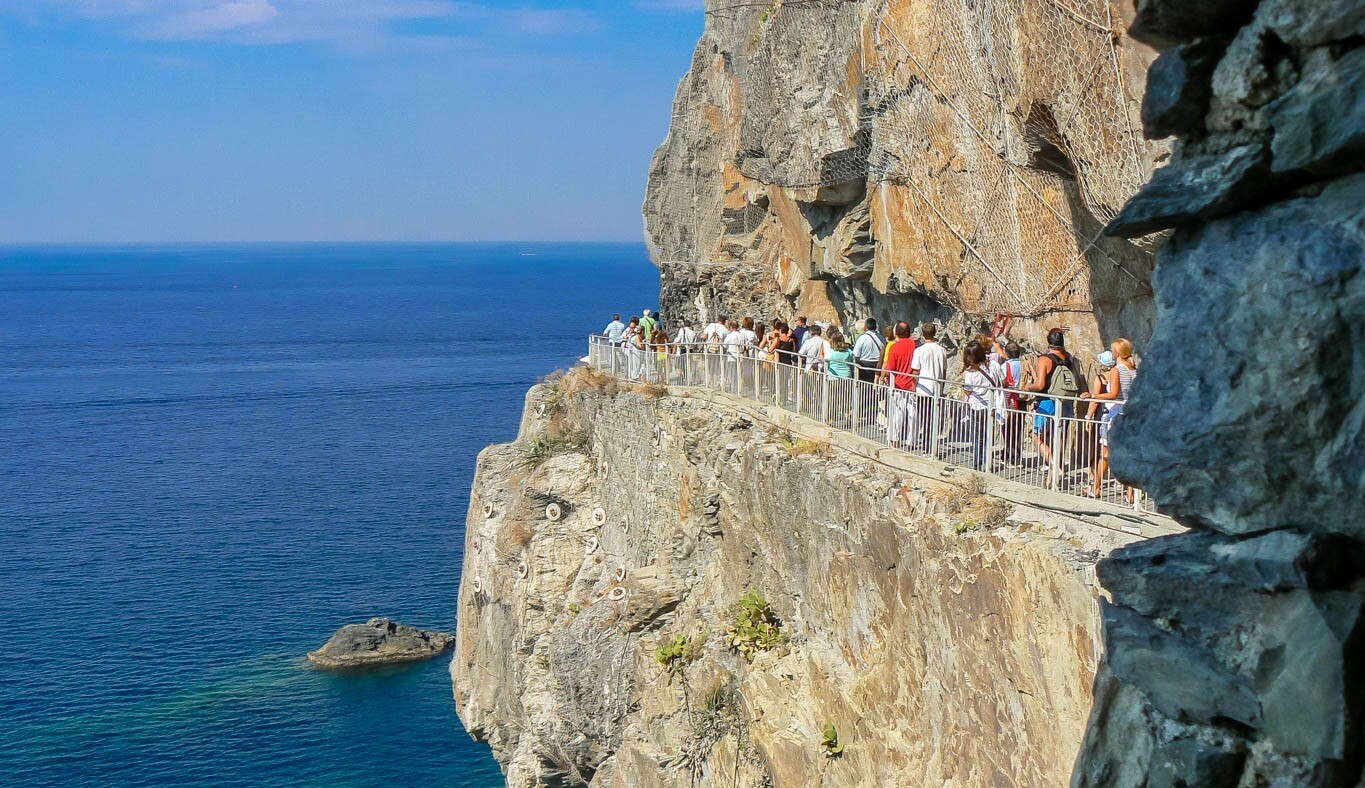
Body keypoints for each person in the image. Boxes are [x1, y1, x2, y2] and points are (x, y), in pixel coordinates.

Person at [1023, 328, 1083, 476]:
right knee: (1059, 437)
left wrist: (1027, 386)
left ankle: (1054, 464)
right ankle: (1057, 466)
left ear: (1049, 341)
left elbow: (1040, 385)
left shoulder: (1044, 359)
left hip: (1047, 402)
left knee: (1038, 437)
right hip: (1066, 402)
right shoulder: (1069, 358)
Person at [1084, 339, 1138, 499]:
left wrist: (1093, 396)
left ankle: (1096, 488)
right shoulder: (1134, 370)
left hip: (1116, 415)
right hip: (1131, 415)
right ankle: (1131, 493)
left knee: (1105, 454)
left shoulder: (1117, 370)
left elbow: (1113, 394)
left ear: (1116, 353)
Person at [962, 343, 1002, 471]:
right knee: (987, 434)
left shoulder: (971, 373)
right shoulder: (994, 365)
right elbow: (1002, 380)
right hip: (991, 405)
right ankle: (987, 462)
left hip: (977, 406)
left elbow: (968, 391)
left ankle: (978, 464)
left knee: (977, 435)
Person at [910, 323, 948, 453]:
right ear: (935, 333)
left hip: (923, 388)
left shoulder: (919, 351)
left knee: (924, 417)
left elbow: (915, 371)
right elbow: (944, 370)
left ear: (922, 334)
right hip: (936, 387)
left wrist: (914, 387)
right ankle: (931, 444)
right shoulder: (941, 350)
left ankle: (927, 445)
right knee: (933, 417)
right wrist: (942, 386)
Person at [883, 321, 919, 446]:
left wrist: (884, 377)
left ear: (896, 333)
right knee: (913, 414)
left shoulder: (895, 347)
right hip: (913, 384)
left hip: (898, 384)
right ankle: (912, 441)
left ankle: (895, 438)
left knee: (897, 412)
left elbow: (890, 368)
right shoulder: (915, 345)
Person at [999, 341, 1026, 465]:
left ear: (1007, 353)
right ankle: (1017, 455)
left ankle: (1009, 454)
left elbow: (1002, 382)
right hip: (1022, 398)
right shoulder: (1024, 365)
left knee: (1007, 426)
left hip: (1010, 398)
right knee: (1018, 427)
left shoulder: (1005, 366)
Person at [852, 318, 885, 384]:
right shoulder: (882, 338)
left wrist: (858, 366)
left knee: (865, 387)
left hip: (865, 365)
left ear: (866, 327)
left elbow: (856, 355)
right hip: (878, 365)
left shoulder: (862, 338)